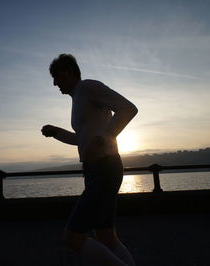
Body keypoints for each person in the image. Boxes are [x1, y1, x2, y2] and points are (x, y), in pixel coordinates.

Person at [41, 54, 138, 266]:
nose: (55, 82)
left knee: (72, 237)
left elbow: (128, 109)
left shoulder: (88, 88)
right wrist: (56, 132)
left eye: (57, 76)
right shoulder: (79, 97)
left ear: (70, 72)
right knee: (106, 237)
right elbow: (81, 140)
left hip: (104, 168)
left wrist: (103, 140)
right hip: (100, 169)